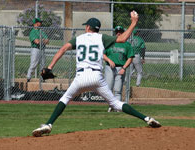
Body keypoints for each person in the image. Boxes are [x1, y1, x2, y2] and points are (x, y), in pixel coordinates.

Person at [32, 11, 161, 137]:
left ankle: (49, 124)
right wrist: (133, 22)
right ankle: (147, 118)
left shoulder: (79, 38)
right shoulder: (102, 38)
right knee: (115, 103)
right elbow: (123, 38)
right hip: (96, 77)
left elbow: (63, 48)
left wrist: (50, 67)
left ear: (88, 27)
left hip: (80, 78)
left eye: (86, 26)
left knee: (64, 99)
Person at [103, 25, 135, 112]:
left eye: (120, 32)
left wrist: (124, 68)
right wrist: (109, 60)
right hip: (109, 67)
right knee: (108, 88)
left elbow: (130, 58)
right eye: (117, 32)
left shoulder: (127, 45)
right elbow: (103, 54)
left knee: (118, 90)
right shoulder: (110, 43)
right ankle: (111, 106)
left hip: (120, 68)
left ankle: (117, 107)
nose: (118, 33)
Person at [27, 18, 49, 82]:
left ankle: (43, 79)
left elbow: (47, 41)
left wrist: (41, 40)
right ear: (36, 23)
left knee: (43, 64)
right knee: (33, 64)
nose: (41, 23)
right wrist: (42, 40)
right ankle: (28, 77)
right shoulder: (32, 32)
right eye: (39, 22)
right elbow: (36, 42)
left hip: (42, 49)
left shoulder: (41, 31)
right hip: (35, 49)